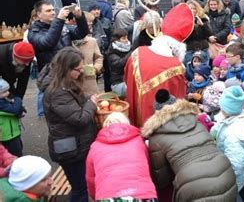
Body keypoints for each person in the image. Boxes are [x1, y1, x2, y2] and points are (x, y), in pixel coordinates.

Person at [142, 99, 237, 201]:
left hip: (192, 184)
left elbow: (161, 179)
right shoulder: (198, 123)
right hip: (226, 172)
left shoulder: (156, 137)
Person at [40, 47, 98, 202]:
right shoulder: (57, 91)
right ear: (66, 68)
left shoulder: (63, 83)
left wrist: (87, 97)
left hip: (73, 145)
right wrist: (91, 104)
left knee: (79, 186)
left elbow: (73, 100)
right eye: (78, 69)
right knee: (80, 189)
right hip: (70, 150)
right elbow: (79, 119)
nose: (80, 72)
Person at [124, 3, 192, 127]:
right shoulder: (176, 67)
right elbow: (178, 96)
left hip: (137, 112)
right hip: (162, 124)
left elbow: (127, 78)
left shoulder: (137, 53)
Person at [86, 112, 157, 200]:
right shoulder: (139, 141)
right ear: (127, 123)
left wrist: (96, 197)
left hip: (108, 196)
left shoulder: (95, 147)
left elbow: (91, 179)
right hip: (143, 194)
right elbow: (147, 167)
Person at [211, 86, 244, 197]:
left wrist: (226, 180)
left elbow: (237, 164)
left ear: (227, 109)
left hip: (232, 179)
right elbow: (221, 125)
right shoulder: (240, 115)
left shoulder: (232, 135)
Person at [28, 0, 89, 72]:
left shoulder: (61, 26)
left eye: (53, 10)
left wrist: (79, 17)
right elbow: (48, 43)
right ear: (39, 14)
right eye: (48, 11)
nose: (53, 13)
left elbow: (81, 33)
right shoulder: (34, 32)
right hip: (51, 75)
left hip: (69, 70)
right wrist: (59, 19)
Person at [73, 12, 104, 95]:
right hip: (73, 82)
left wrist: (96, 68)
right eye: (87, 26)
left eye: (91, 26)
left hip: (90, 81)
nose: (89, 29)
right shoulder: (68, 41)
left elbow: (99, 57)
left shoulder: (92, 41)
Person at [0, 78, 24, 156]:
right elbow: (15, 109)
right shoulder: (1, 103)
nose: (8, 93)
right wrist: (18, 99)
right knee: (16, 154)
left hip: (11, 133)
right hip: (9, 135)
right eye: (4, 92)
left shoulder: (4, 100)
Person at [184, 0, 212, 65]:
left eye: (194, 8)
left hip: (203, 49)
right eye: (190, 8)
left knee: (203, 70)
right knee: (190, 70)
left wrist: (202, 25)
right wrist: (190, 25)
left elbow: (209, 33)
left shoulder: (203, 18)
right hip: (190, 50)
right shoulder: (184, 21)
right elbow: (185, 38)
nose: (193, 10)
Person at [107, 29, 132, 98]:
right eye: (124, 38)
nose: (127, 40)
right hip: (118, 82)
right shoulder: (112, 52)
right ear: (116, 40)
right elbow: (119, 64)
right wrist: (131, 53)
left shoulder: (130, 47)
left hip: (129, 79)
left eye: (127, 37)